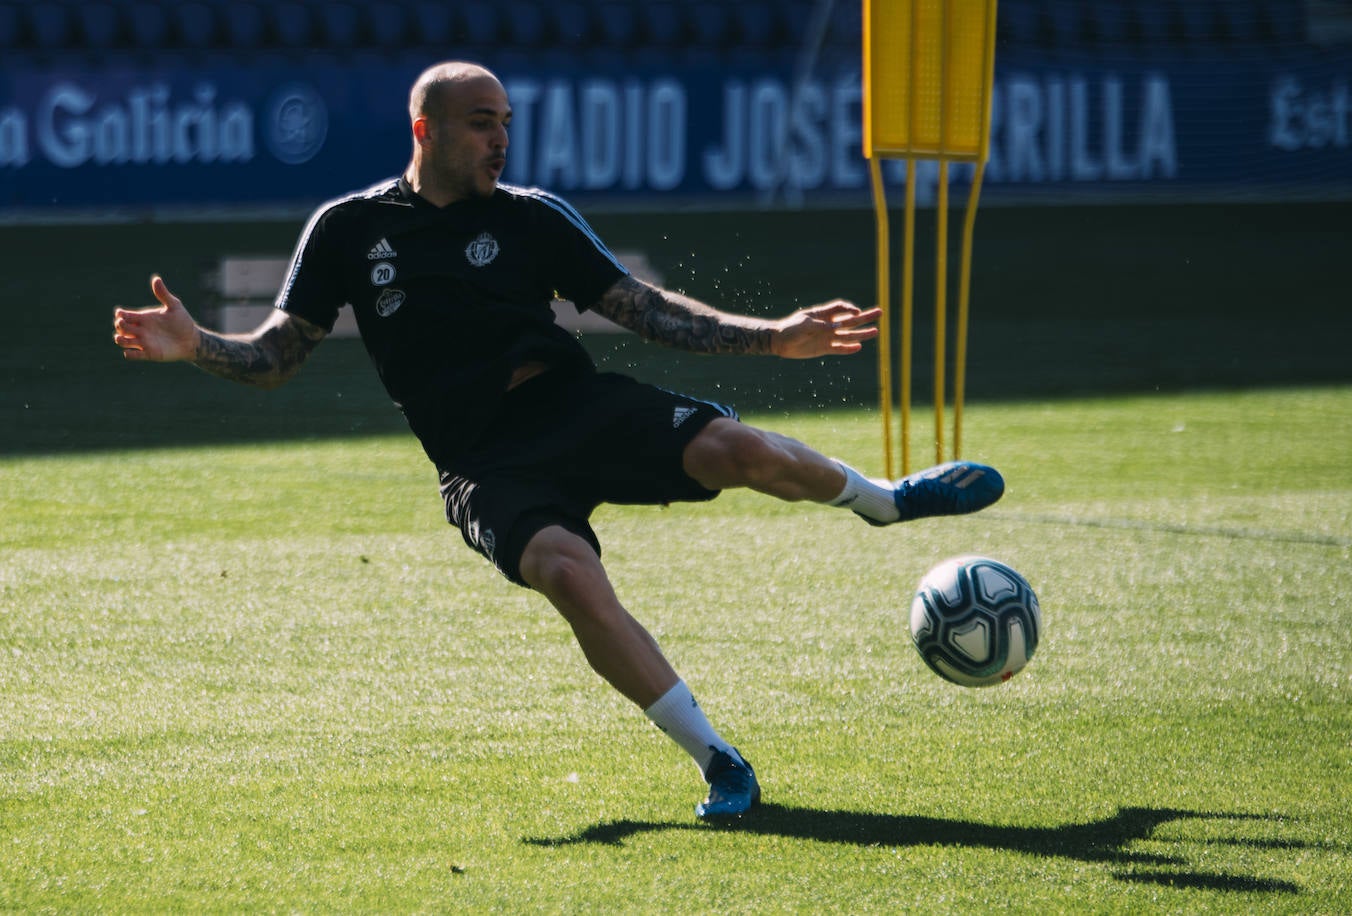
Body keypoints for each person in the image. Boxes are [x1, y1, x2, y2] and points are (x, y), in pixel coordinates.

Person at [112, 61, 1004, 820]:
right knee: (570, 575)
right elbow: (275, 356)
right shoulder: (350, 229)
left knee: (745, 453)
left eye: (506, 122)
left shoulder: (533, 216)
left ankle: (886, 501)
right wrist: (196, 347)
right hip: (481, 462)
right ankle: (719, 761)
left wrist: (775, 336)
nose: (501, 139)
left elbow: (645, 311)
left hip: (579, 407)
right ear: (424, 129)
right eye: (480, 123)